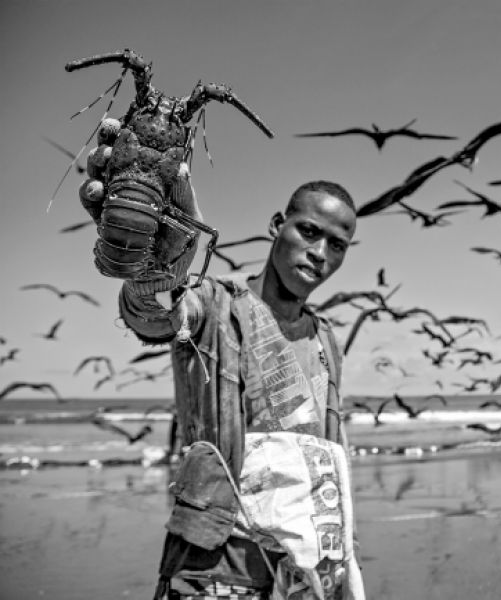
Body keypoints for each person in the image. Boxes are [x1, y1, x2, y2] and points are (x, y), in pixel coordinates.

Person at [78, 118, 364, 600]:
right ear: (277, 225)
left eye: (337, 245)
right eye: (309, 231)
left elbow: (330, 452)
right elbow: (154, 315)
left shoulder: (326, 338)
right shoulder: (214, 304)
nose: (320, 253)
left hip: (308, 573)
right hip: (217, 567)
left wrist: (343, 551)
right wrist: (147, 267)